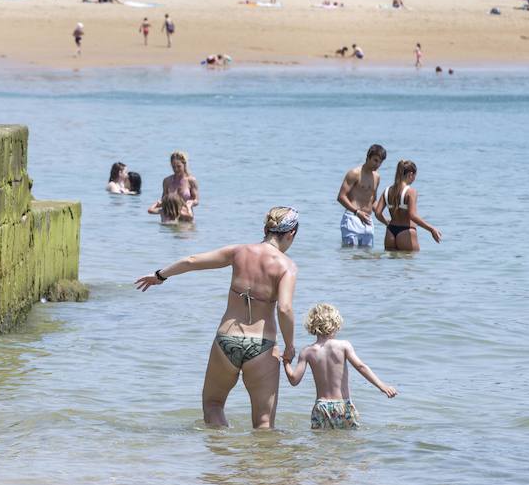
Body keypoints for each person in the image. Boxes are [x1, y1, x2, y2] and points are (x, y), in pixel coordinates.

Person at [135, 207, 300, 429]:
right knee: (263, 421)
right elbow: (285, 308)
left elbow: (192, 260)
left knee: (213, 405)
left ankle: (222, 456)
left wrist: (159, 275)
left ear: (265, 229)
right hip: (262, 345)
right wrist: (290, 346)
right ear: (291, 234)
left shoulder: (239, 252)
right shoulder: (287, 266)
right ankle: (260, 463)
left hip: (227, 339)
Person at [283, 303, 397, 430]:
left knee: (322, 444)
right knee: (349, 442)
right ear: (335, 323)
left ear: (312, 324)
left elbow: (294, 380)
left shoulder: (307, 351)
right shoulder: (343, 346)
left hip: (321, 406)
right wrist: (382, 386)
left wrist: (286, 362)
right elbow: (361, 366)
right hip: (343, 405)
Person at [374, 159, 441, 252]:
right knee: (411, 265)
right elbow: (412, 215)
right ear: (410, 174)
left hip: (390, 232)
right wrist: (431, 229)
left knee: (391, 265)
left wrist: (386, 222)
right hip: (406, 232)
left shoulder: (387, 191)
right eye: (415, 176)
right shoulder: (411, 191)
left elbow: (377, 213)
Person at [337, 144, 386, 249]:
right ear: (367, 157)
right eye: (375, 160)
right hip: (352, 218)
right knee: (350, 258)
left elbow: (373, 201)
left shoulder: (377, 177)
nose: (377, 164)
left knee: (366, 260)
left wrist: (385, 220)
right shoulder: (354, 173)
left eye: (380, 162)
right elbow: (341, 197)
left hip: (368, 221)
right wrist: (357, 212)